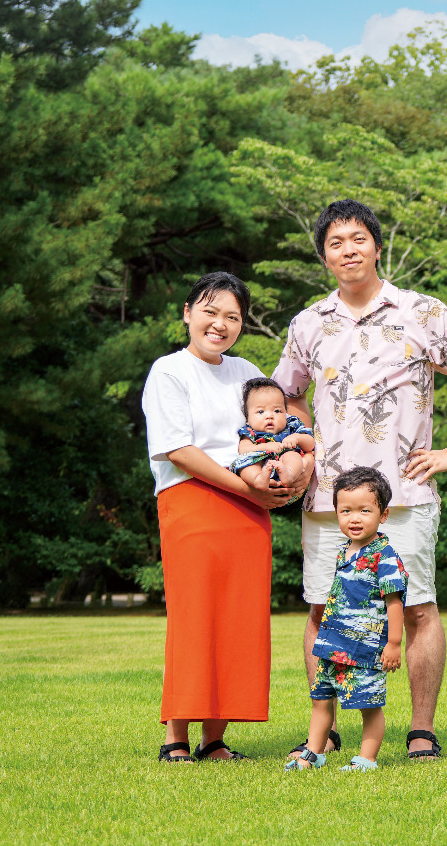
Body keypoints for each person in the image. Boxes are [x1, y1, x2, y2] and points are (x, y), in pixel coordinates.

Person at [273, 199, 447, 761]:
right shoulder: (308, 323)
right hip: (328, 495)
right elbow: (288, 393)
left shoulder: (422, 311)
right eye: (335, 243)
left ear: (375, 244)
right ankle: (327, 728)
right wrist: (305, 445)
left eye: (357, 238)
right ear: (324, 256)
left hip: (406, 489)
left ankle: (421, 730)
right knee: (323, 607)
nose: (348, 249)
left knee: (417, 606)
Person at [140, 271, 310, 762]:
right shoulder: (169, 371)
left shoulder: (246, 372)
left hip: (247, 508)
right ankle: (176, 737)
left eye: (232, 316)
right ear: (188, 312)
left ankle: (214, 738)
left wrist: (292, 474)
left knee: (237, 621)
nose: (220, 324)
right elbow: (178, 450)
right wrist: (248, 489)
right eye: (210, 312)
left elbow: (280, 424)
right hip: (193, 500)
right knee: (193, 619)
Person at [286, 467, 406, 773]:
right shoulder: (343, 551)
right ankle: (314, 753)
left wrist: (393, 643)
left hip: (364, 649)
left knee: (369, 704)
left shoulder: (385, 556)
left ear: (384, 514)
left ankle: (366, 759)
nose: (355, 518)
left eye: (365, 510)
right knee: (322, 699)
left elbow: (394, 602)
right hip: (332, 644)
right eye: (346, 511)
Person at [229, 377, 317, 492]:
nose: (269, 416)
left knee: (293, 455)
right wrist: (265, 447)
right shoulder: (249, 431)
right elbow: (243, 450)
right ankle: (257, 479)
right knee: (245, 462)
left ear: (286, 412)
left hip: (287, 472)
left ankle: (289, 475)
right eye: (260, 412)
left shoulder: (291, 426)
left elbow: (310, 444)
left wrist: (297, 438)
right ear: (248, 417)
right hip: (262, 471)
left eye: (277, 411)